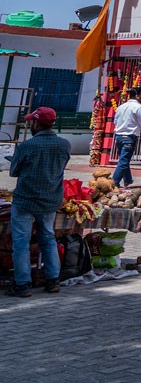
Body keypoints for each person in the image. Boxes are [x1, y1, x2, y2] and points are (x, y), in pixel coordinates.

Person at [7, 107, 71, 298]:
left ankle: (23, 284)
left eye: (31, 122)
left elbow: (13, 172)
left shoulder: (26, 146)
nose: (29, 124)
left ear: (36, 123)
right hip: (50, 200)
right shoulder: (64, 145)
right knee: (48, 238)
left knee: (21, 243)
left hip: (25, 200)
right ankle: (52, 281)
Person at [110, 88, 141, 189]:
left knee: (123, 159)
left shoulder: (121, 106)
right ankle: (114, 182)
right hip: (129, 137)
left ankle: (128, 180)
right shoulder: (138, 107)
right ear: (136, 95)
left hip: (119, 136)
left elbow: (115, 121)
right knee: (124, 161)